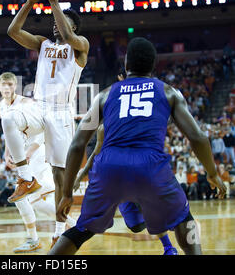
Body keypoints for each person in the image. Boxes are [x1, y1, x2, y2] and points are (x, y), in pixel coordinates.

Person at [49, 37, 226, 255]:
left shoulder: (105, 95)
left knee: (81, 230)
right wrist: (212, 173)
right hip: (149, 165)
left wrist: (66, 193)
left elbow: (77, 145)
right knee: (183, 218)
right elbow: (197, 137)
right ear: (153, 65)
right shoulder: (168, 92)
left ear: (126, 65)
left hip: (108, 168)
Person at [5, 0, 90, 246]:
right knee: (9, 117)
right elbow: (13, 30)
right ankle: (26, 178)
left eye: (63, 19)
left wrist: (55, 3)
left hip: (62, 113)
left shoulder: (80, 46)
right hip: (39, 106)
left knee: (58, 175)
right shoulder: (43, 44)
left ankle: (59, 229)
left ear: (74, 26)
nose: (55, 22)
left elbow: (67, 36)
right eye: (55, 18)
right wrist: (30, 2)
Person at [0, 72, 76, 253]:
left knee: (23, 198)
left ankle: (34, 238)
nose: (7, 88)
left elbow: (41, 131)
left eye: (10, 85)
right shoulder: (1, 106)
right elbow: (10, 133)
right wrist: (7, 153)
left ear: (15, 86)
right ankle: (73, 225)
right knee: (34, 201)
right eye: (4, 85)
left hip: (37, 151)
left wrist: (29, 153)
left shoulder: (26, 103)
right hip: (23, 156)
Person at [73, 123, 178, 255]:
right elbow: (95, 154)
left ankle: (168, 246)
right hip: (114, 177)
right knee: (135, 226)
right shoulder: (104, 129)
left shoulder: (135, 124)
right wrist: (80, 177)